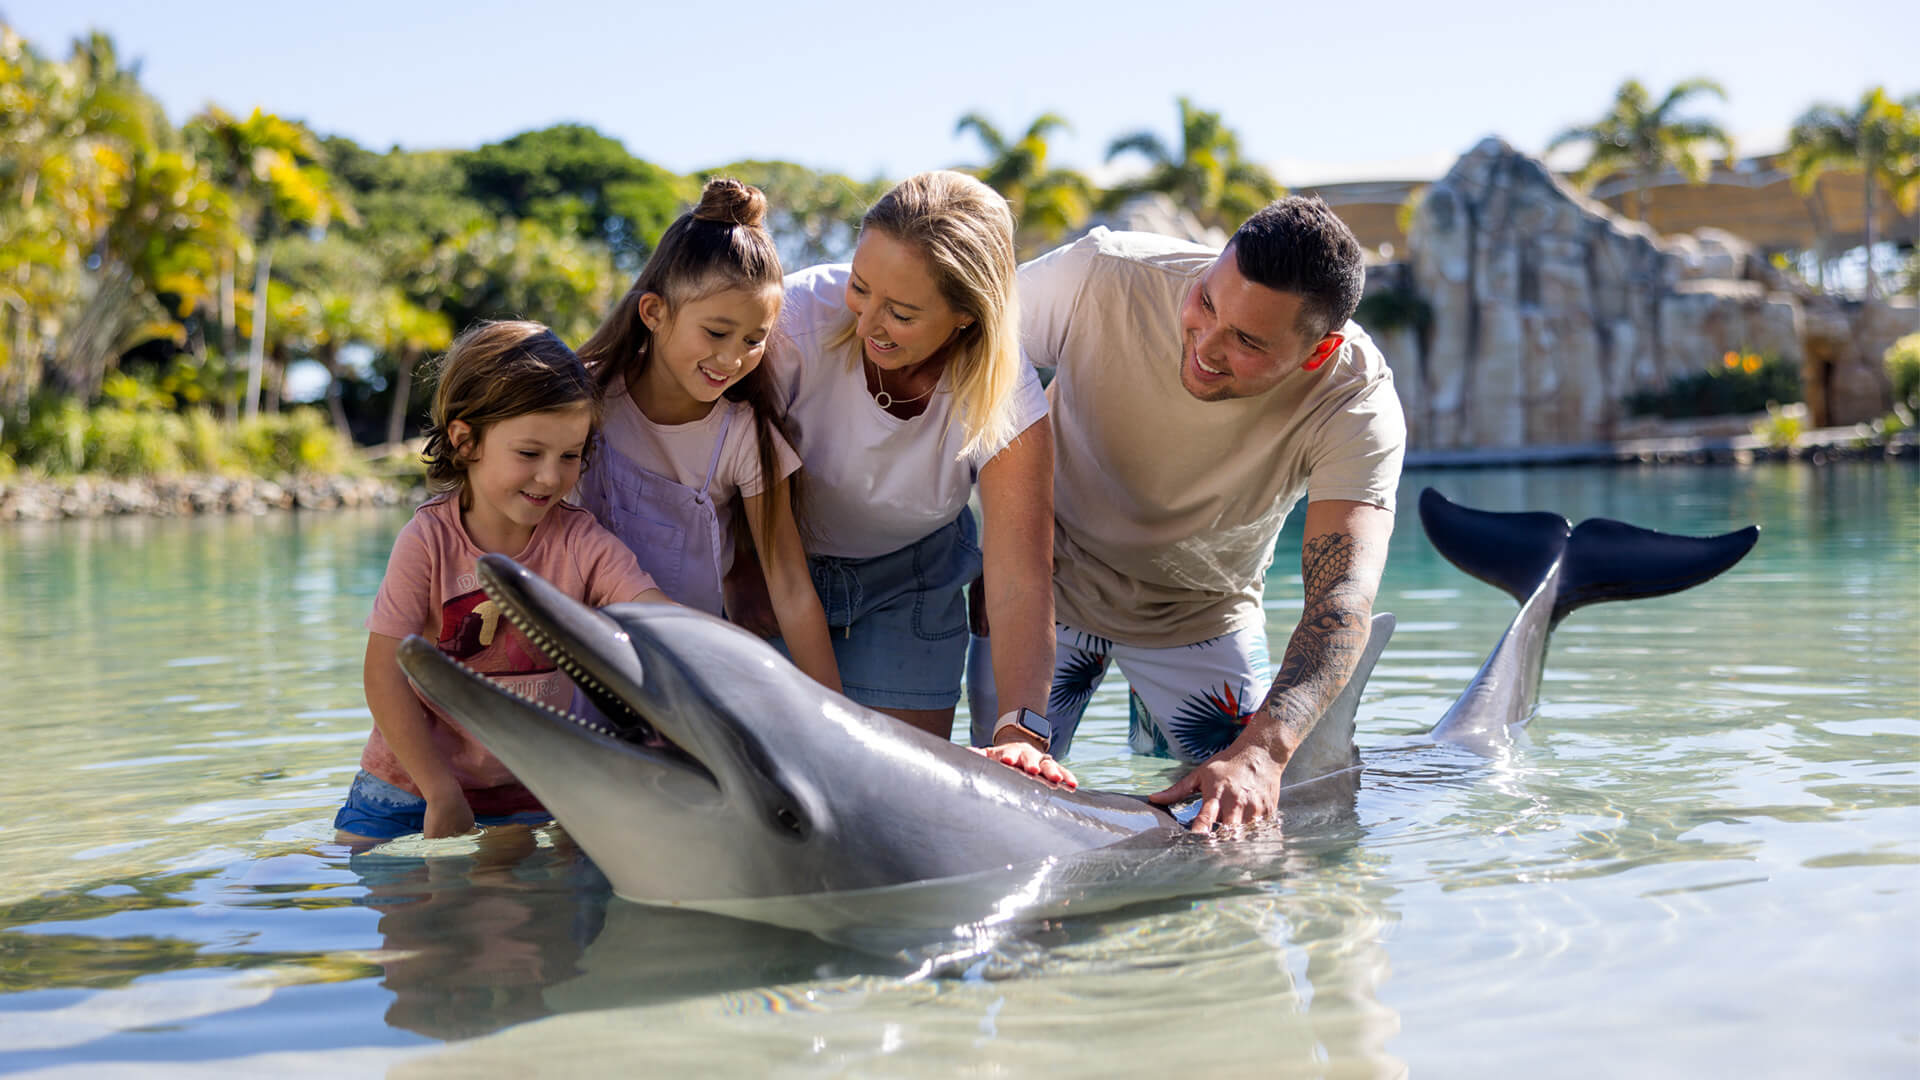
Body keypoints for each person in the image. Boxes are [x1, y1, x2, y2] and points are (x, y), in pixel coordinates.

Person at [1014, 196, 1406, 830]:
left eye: (1247, 341)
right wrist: (981, 548)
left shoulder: (1355, 402)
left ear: (1317, 351)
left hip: (1201, 611)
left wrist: (1264, 752)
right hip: (1041, 594)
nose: (1206, 343)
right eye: (1206, 301)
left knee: (1252, 832)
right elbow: (953, 349)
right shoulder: (1100, 274)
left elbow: (1342, 598)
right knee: (999, 807)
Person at [766, 170, 1072, 787]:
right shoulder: (791, 322)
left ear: (965, 315)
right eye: (860, 287)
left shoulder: (1004, 388)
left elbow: (1020, 571)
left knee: (891, 796)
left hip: (911, 581)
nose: (866, 322)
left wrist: (1020, 730)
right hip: (772, 571)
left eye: (900, 313)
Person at [334, 321, 668, 844]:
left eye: (569, 455)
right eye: (529, 454)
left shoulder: (580, 542)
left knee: (522, 915)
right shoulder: (428, 540)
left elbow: (657, 615)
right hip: (410, 782)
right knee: (389, 900)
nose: (551, 478)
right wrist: (441, 791)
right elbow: (383, 674)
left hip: (528, 789)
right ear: (466, 441)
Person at [575, 178, 840, 693]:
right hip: (577, 653)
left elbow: (789, 586)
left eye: (753, 340)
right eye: (716, 333)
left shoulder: (744, 436)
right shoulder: (587, 398)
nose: (732, 358)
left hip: (683, 676)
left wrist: (838, 715)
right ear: (654, 312)